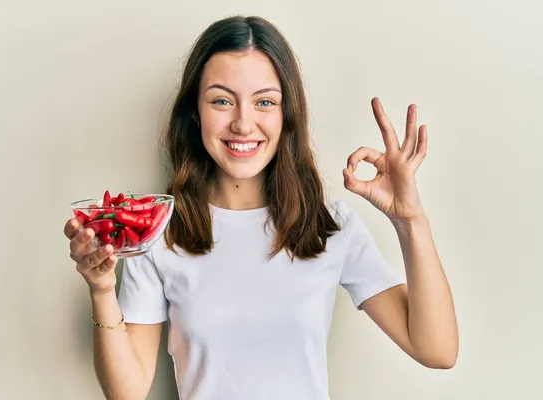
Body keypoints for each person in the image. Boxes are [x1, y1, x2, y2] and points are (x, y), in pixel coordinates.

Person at [64, 15, 458, 400]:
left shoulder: (329, 224)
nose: (243, 123)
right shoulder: (162, 230)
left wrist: (410, 220)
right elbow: (126, 392)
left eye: (265, 102)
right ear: (194, 113)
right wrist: (101, 288)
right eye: (222, 100)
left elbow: (437, 351)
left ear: (287, 114)